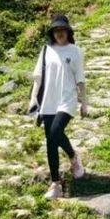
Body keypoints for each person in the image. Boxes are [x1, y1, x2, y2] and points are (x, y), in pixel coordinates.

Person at [28, 13, 87, 200]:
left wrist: (84, 103)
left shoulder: (75, 51)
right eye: (56, 30)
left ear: (68, 32)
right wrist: (32, 100)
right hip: (48, 100)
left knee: (55, 132)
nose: (59, 33)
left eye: (62, 30)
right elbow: (38, 77)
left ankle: (73, 157)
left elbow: (81, 80)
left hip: (67, 99)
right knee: (50, 143)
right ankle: (55, 184)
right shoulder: (46, 50)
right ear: (52, 33)